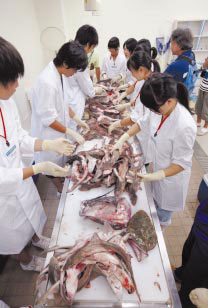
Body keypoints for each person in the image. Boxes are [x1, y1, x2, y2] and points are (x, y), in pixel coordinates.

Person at [0, 37, 73, 271]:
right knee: (11, 236)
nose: (16, 86)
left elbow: (19, 137)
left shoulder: (7, 104)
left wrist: (47, 146)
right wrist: (37, 169)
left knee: (31, 217)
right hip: (3, 197)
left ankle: (36, 239)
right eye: (11, 81)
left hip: (21, 181)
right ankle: (27, 262)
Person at [111, 73, 196, 227]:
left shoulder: (185, 125)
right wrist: (123, 137)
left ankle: (160, 231)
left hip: (171, 180)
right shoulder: (160, 107)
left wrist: (157, 175)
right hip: (157, 166)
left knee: (162, 216)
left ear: (169, 101)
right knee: (153, 202)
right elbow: (142, 123)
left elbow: (182, 163)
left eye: (154, 109)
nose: (152, 111)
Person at [31, 40, 88, 194]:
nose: (75, 73)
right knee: (51, 167)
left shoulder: (60, 74)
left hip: (59, 131)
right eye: (75, 69)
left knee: (61, 161)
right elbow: (48, 120)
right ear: (65, 63)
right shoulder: (47, 82)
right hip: (48, 134)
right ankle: (59, 189)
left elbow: (63, 104)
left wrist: (77, 119)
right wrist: (71, 132)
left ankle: (63, 180)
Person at [109, 51, 160, 164]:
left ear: (141, 69)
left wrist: (122, 134)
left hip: (147, 135)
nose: (132, 75)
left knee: (143, 162)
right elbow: (138, 111)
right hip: (141, 130)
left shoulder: (153, 86)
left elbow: (142, 121)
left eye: (132, 72)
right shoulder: (144, 80)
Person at [64, 25, 102, 132]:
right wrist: (95, 90)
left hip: (69, 105)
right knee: (73, 138)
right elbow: (89, 90)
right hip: (73, 106)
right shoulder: (79, 58)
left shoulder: (68, 51)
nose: (91, 51)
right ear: (88, 45)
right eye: (92, 48)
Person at [174, 198, 208, 308]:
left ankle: (182, 302)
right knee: (188, 252)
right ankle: (180, 274)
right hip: (202, 221)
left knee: (193, 283)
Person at [195, 56, 208, 136]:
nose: (205, 60)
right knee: (199, 105)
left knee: (206, 109)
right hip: (202, 88)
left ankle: (206, 127)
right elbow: (201, 75)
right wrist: (204, 66)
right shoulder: (206, 66)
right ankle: (198, 122)